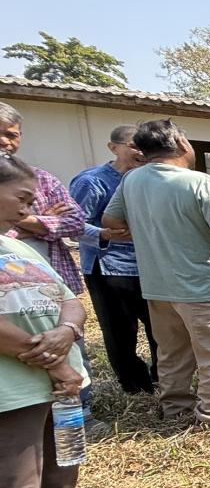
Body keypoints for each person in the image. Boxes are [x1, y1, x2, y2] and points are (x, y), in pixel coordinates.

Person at [0, 154, 118, 488]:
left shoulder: (17, 246)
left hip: (58, 385)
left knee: (60, 475)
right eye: (23, 199)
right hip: (14, 391)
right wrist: (46, 358)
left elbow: (71, 297)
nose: (30, 211)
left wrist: (67, 330)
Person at [102, 119, 210, 428]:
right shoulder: (200, 182)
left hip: (158, 286)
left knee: (172, 351)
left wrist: (150, 233)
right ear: (182, 144)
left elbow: (111, 220)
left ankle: (175, 407)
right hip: (203, 286)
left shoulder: (131, 180)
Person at [0, 103, 103, 437]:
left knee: (73, 353)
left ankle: (79, 411)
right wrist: (43, 221)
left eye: (11, 134)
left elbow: (74, 221)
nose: (6, 142)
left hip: (48, 281)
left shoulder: (40, 177)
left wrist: (28, 223)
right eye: (21, 202)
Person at [69, 125, 158, 394]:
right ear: (113, 147)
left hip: (148, 266)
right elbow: (72, 225)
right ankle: (133, 384)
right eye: (134, 146)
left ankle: (161, 378)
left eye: (145, 146)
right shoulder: (92, 181)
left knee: (159, 330)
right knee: (121, 332)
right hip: (109, 268)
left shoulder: (149, 179)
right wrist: (105, 234)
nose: (141, 152)